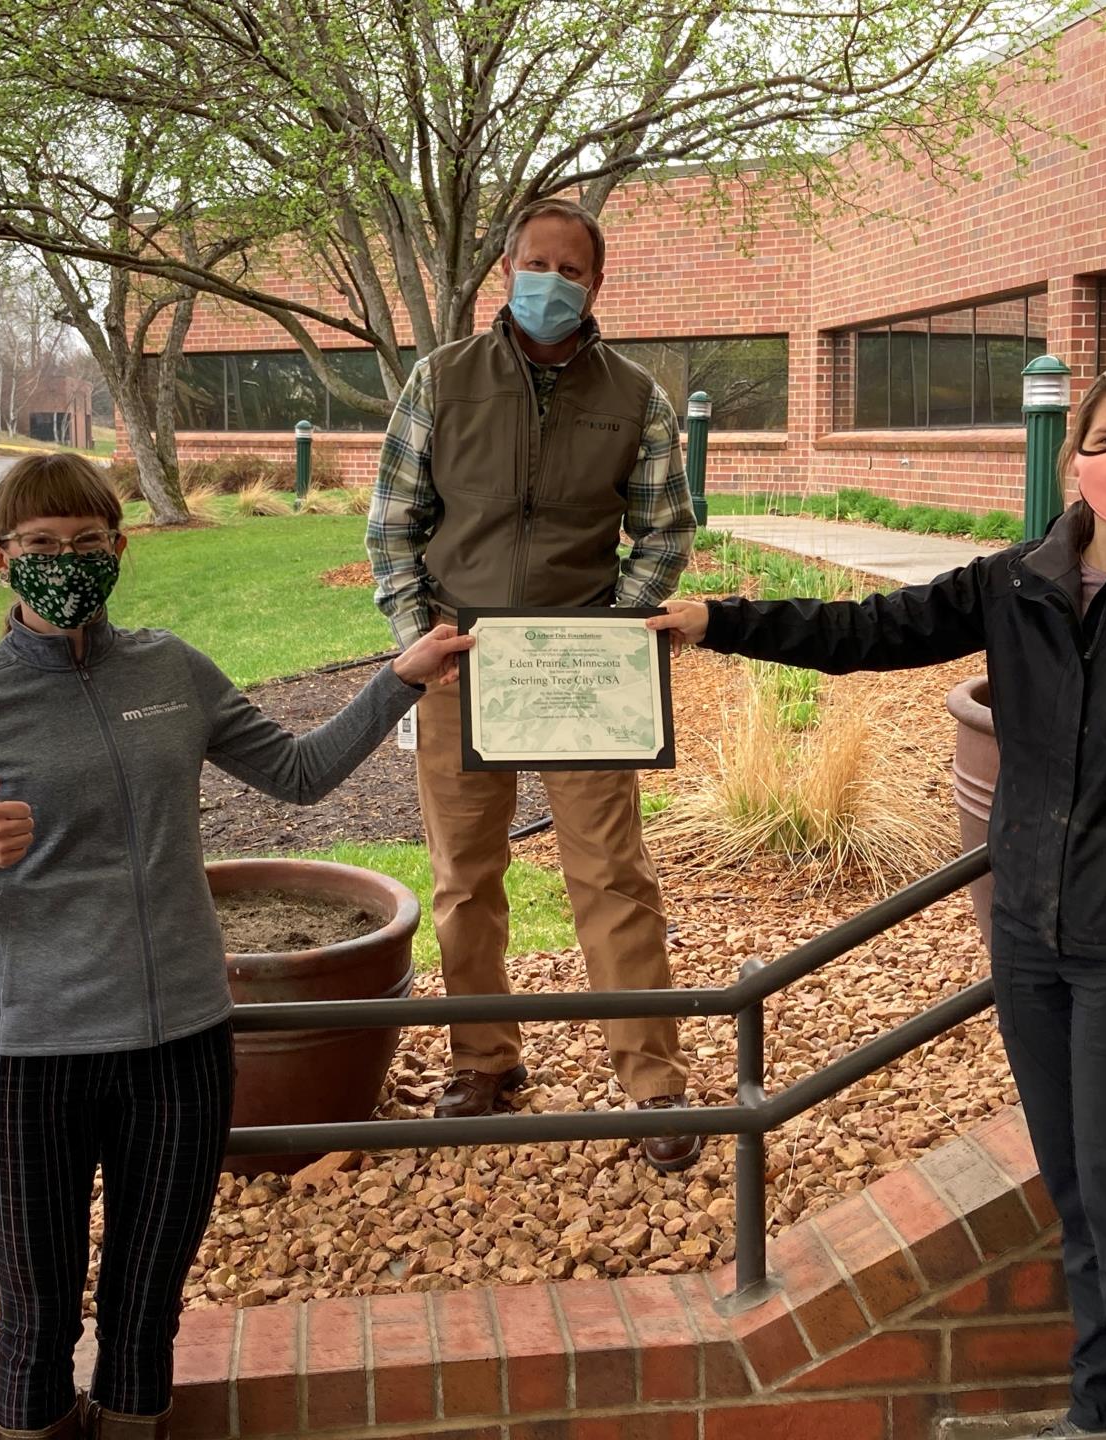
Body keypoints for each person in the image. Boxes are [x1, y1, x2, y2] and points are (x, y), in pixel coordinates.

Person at [648, 360, 1106, 1435]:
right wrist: (717, 618)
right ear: (1073, 453)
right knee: (1078, 1198)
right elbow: (866, 633)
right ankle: (1099, 1412)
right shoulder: (1018, 583)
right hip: (1032, 942)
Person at [0, 454, 470, 1440]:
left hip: (180, 1051)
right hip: (33, 1065)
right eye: (41, 544)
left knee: (145, 1324)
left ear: (119, 548)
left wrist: (397, 682)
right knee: (35, 1332)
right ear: (0, 559)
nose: (67, 561)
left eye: (88, 541)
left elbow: (298, 773)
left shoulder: (169, 671)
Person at [366, 196, 701, 1171]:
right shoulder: (441, 380)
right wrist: (420, 638)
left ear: (597, 284)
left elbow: (665, 531)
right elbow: (394, 525)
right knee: (465, 880)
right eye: (537, 264)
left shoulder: (635, 396)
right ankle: (482, 1061)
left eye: (573, 268)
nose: (553, 281)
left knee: (612, 873)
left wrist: (611, 632)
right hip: (462, 665)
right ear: (506, 271)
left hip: (584, 673)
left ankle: (653, 1081)